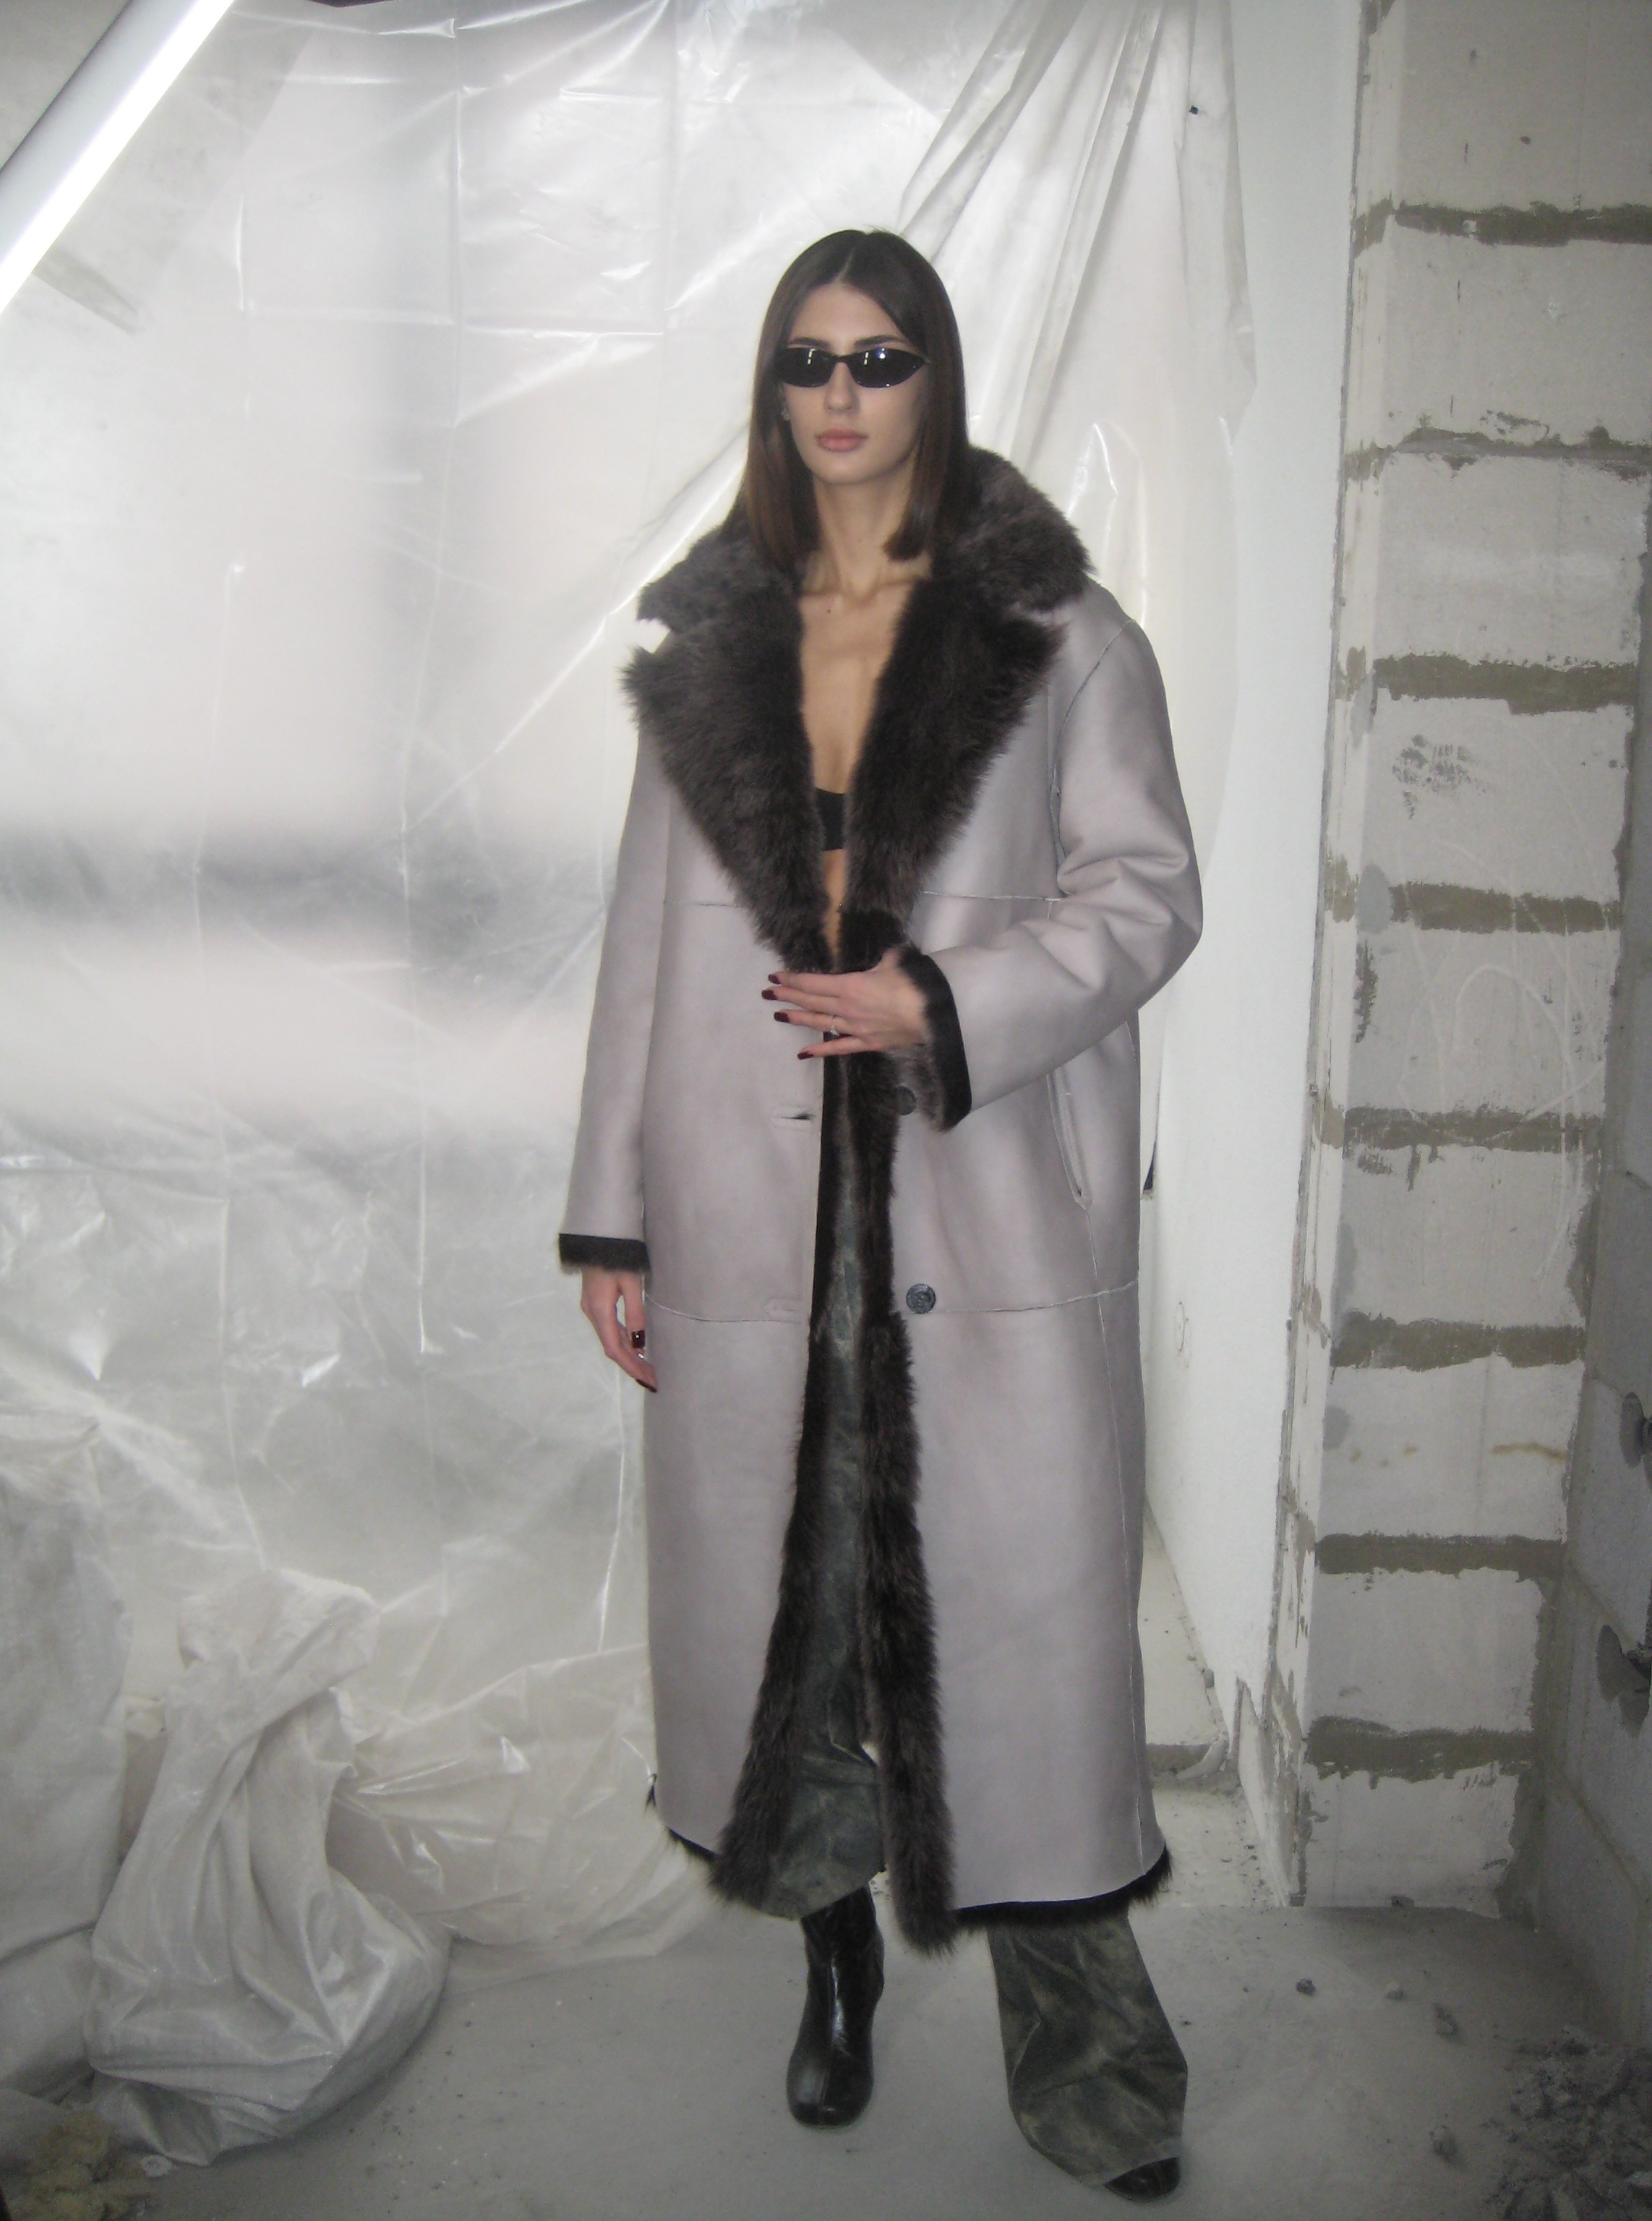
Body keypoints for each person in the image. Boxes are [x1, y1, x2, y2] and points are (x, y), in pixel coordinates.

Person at [559, 229, 1201, 2202]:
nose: (840, 397)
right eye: (808, 361)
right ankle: (833, 1958)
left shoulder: (1061, 635)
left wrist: (946, 1001)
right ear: (776, 388)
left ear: (936, 378)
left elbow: (1148, 894)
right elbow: (643, 952)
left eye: (880, 358)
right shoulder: (714, 645)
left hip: (981, 1203)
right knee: (802, 1610)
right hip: (751, 1208)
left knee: (1025, 1644)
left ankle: (1091, 2053)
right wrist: (614, 1221)